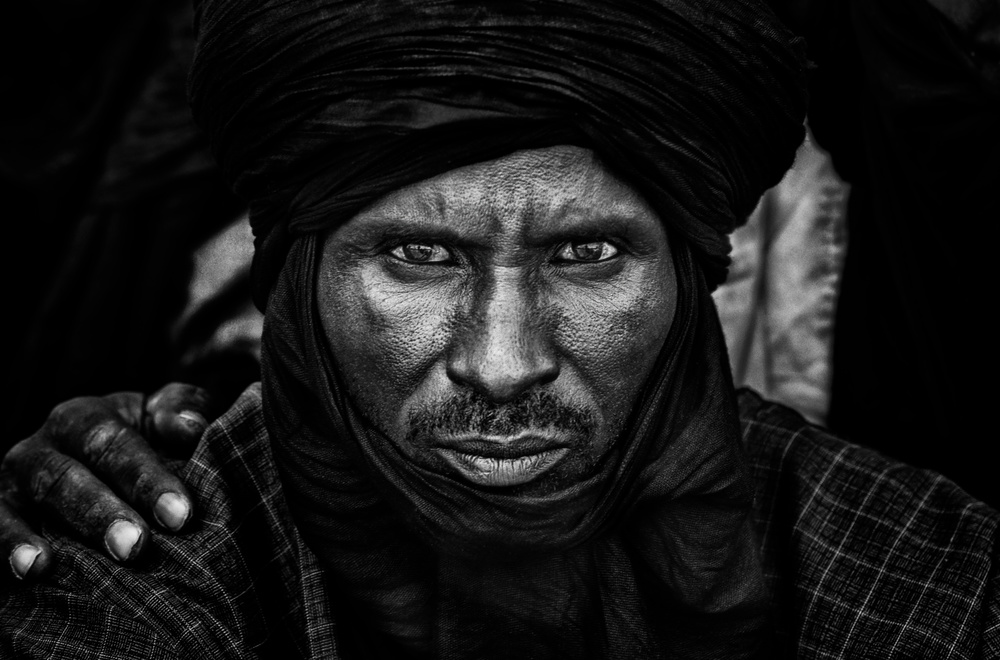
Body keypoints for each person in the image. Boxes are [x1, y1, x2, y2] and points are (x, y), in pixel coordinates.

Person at [1, 1, 997, 659]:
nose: (506, 364)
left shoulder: (927, 573)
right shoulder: (151, 560)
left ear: (691, 272)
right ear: (297, 281)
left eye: (587, 255)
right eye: (422, 257)